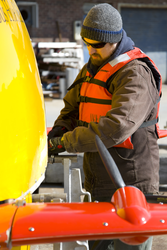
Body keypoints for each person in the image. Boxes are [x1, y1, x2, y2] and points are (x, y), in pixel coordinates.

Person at [48, 3, 162, 250]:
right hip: (98, 180)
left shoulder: (135, 74)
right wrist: (59, 130)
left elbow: (115, 128)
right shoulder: (92, 67)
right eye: (86, 43)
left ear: (114, 40)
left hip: (131, 185)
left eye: (97, 45)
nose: (90, 50)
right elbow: (72, 108)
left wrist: (65, 142)